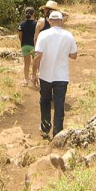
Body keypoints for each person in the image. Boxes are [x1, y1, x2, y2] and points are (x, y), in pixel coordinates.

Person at [32, 9, 78, 139]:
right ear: (61, 21)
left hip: (45, 75)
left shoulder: (43, 35)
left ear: (49, 21)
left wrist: (33, 74)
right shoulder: (68, 35)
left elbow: (37, 56)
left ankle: (45, 128)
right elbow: (74, 56)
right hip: (61, 76)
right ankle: (58, 133)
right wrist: (64, 53)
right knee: (59, 104)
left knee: (45, 101)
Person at [17, 6, 38, 89]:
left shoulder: (21, 24)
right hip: (34, 45)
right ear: (33, 14)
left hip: (25, 45)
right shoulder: (36, 24)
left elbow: (20, 36)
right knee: (35, 63)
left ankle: (26, 80)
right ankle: (34, 79)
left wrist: (22, 43)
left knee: (26, 63)